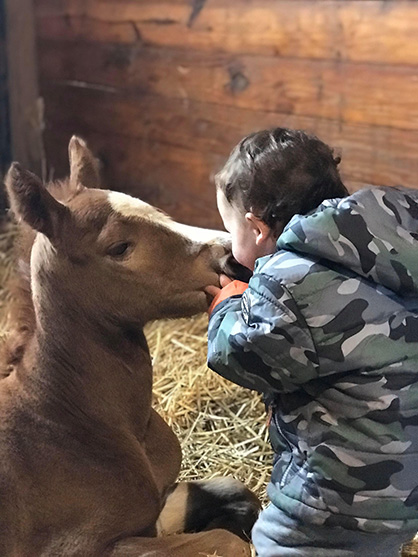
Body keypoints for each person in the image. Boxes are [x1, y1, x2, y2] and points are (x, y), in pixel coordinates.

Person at [205, 128, 418, 556]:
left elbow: (242, 354)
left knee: (278, 542)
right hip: (405, 489)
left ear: (257, 227)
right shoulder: (392, 234)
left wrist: (227, 308)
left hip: (336, 497)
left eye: (230, 229)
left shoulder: (288, 282)